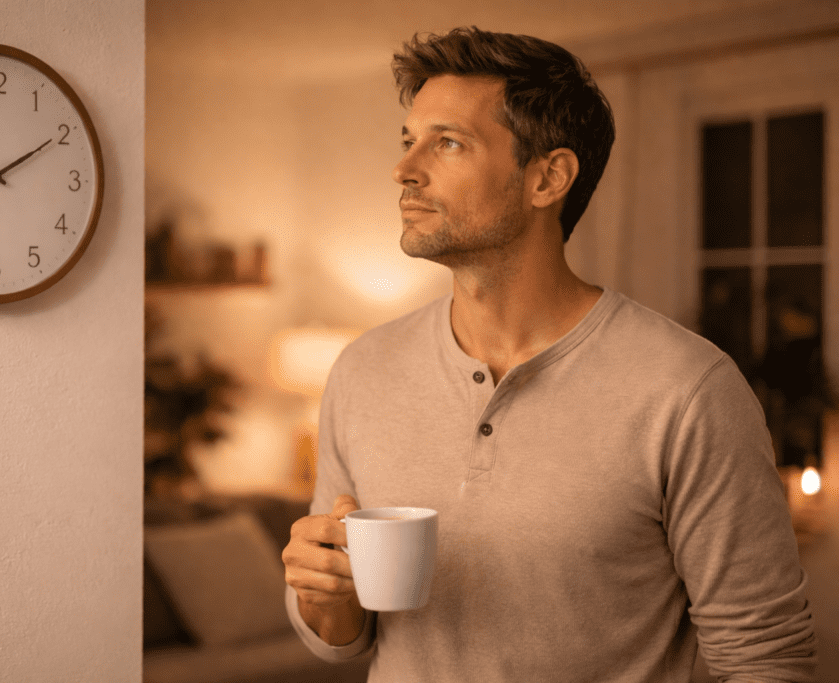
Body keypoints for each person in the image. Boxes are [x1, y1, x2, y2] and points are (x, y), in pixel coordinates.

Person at [280, 26, 817, 682]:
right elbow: (344, 639)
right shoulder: (363, 370)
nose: (404, 168)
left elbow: (767, 660)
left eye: (447, 142)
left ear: (548, 178)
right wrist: (320, 593)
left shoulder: (687, 388)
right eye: (407, 140)